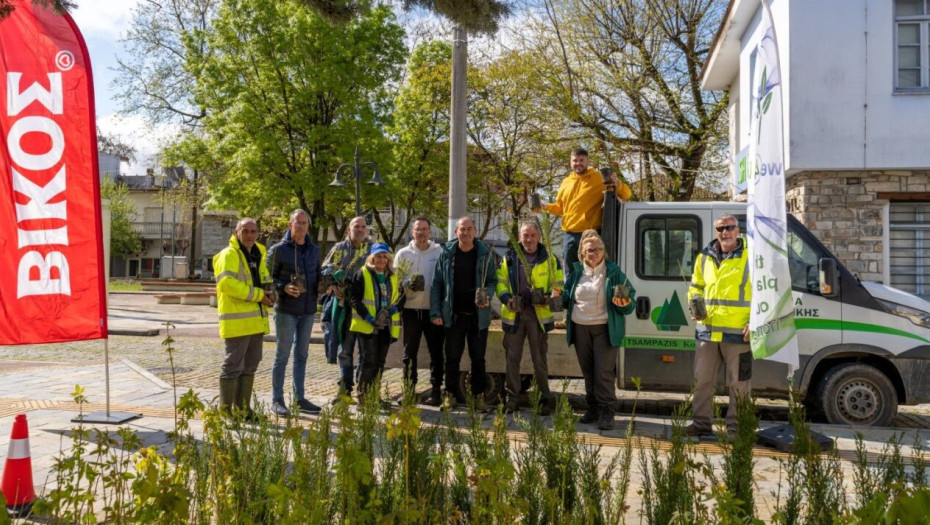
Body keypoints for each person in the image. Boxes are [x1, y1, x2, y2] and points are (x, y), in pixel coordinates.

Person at [686, 214, 752, 438]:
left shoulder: (751, 257)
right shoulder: (704, 257)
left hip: (739, 333)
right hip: (707, 331)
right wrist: (694, 304)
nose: (725, 232)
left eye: (729, 228)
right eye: (720, 229)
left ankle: (736, 429)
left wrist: (756, 322)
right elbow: (696, 286)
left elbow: (765, 293)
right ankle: (701, 424)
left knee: (739, 385)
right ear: (715, 232)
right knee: (702, 382)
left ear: (737, 231)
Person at [563, 230, 635, 430]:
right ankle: (593, 408)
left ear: (603, 252)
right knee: (588, 372)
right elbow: (567, 296)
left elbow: (630, 303)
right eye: (590, 250)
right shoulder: (576, 272)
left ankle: (607, 411)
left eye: (598, 249)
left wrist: (624, 303)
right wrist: (557, 296)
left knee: (603, 371)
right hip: (580, 328)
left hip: (604, 328)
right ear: (582, 253)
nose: (594, 253)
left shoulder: (614, 272)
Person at [496, 219, 563, 414]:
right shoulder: (509, 257)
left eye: (533, 235)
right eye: (525, 235)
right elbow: (500, 282)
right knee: (512, 358)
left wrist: (549, 297)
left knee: (539, 358)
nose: (529, 239)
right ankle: (512, 398)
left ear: (539, 237)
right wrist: (507, 298)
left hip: (538, 314)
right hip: (515, 313)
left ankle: (544, 398)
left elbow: (559, 284)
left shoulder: (550, 258)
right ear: (520, 237)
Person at [430, 216, 498, 407]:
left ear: (475, 231)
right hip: (454, 316)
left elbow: (493, 281)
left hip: (478, 316)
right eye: (462, 229)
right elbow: (437, 284)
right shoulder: (447, 254)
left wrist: (489, 295)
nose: (466, 232)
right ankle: (449, 394)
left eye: (469, 229)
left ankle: (478, 397)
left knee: (478, 359)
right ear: (456, 232)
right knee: (452, 358)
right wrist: (436, 312)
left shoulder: (485, 254)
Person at [536, 148, 632, 281]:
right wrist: (544, 207)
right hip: (569, 236)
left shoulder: (599, 178)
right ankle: (569, 300)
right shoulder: (566, 182)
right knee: (570, 274)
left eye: (581, 160)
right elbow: (560, 208)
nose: (578, 163)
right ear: (570, 162)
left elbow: (626, 194)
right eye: (575, 160)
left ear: (588, 161)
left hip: (590, 234)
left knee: (592, 273)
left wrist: (617, 184)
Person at [214, 218, 274, 419]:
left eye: (253, 231)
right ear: (236, 232)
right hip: (237, 321)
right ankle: (225, 413)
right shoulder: (229, 254)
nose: (249, 235)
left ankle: (242, 410)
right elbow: (227, 284)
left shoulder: (258, 254)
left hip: (256, 320)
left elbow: (264, 281)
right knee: (233, 366)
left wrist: (271, 293)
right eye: (245, 231)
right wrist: (258, 295)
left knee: (250, 365)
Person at [266, 209, 322, 416]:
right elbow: (267, 279)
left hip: (307, 311)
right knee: (282, 355)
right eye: (297, 223)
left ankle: (299, 398)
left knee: (302, 355)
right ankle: (277, 400)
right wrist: (282, 288)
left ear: (308, 226)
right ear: (290, 225)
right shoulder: (278, 250)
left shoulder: (314, 250)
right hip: (286, 311)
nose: (300, 227)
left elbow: (317, 275)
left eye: (304, 223)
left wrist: (325, 284)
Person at [394, 217, 445, 406]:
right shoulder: (403, 254)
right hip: (411, 310)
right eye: (418, 229)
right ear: (412, 232)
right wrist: (408, 284)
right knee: (409, 353)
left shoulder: (439, 252)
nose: (421, 232)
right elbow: (396, 280)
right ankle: (409, 390)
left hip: (433, 310)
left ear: (430, 232)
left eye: (424, 229)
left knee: (436, 353)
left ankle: (436, 391)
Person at [321, 216, 370, 399]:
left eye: (363, 226)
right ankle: (345, 387)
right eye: (356, 226)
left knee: (366, 350)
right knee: (346, 349)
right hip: (345, 306)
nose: (359, 229)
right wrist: (333, 285)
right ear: (349, 229)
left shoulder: (372, 248)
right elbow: (325, 270)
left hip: (366, 306)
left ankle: (364, 389)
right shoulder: (339, 248)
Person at [349, 243, 403, 397]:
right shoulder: (362, 274)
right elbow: (354, 299)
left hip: (386, 326)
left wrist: (394, 309)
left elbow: (401, 298)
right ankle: (363, 397)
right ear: (372, 258)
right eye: (378, 256)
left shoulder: (393, 276)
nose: (381, 260)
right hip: (368, 326)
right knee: (369, 363)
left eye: (384, 257)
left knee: (380, 364)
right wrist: (367, 317)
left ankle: (374, 397)